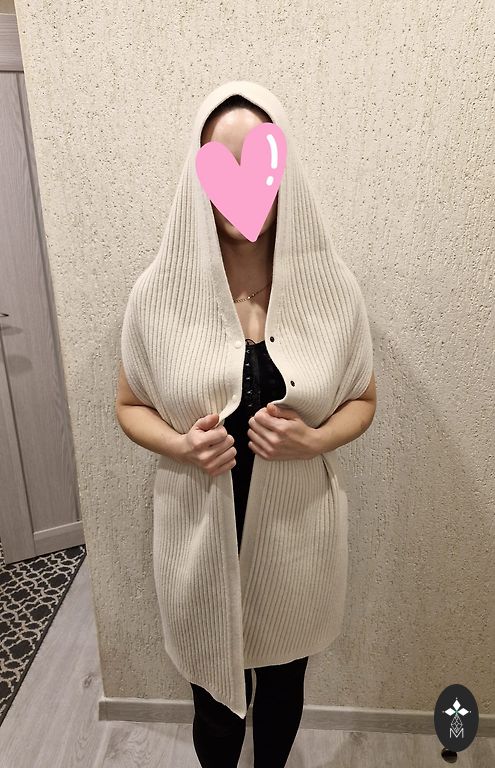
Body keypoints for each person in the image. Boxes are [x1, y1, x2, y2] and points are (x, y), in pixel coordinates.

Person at [116, 81, 376, 768]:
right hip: (199, 536)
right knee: (213, 700)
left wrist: (314, 440)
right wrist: (180, 444)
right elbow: (129, 405)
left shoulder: (333, 288)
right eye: (222, 167)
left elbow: (363, 399)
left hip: (297, 534)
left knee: (284, 685)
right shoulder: (157, 293)